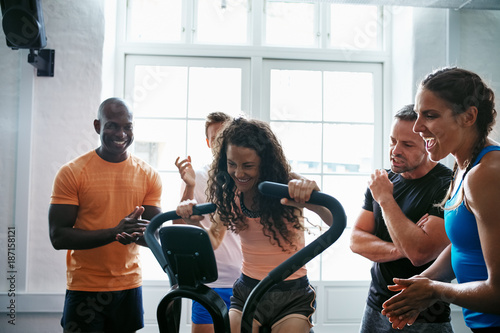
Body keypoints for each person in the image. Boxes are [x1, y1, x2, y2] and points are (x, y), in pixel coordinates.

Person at [176, 117, 333, 333]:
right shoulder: (230, 194)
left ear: (265, 162)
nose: (239, 173)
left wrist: (313, 196)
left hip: (291, 295)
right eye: (232, 164)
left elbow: (333, 219)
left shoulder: (287, 184)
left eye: (248, 166)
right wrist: (193, 223)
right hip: (247, 290)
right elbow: (213, 239)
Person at [381, 68, 500, 332]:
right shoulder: (463, 167)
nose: (417, 127)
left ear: (469, 116)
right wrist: (420, 284)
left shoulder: (487, 174)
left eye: (430, 115)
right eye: (418, 113)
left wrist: (435, 290)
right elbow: (464, 245)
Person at [49, 97, 162, 333]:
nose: (121, 133)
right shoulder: (72, 173)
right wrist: (115, 232)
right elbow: (58, 237)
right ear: (98, 126)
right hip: (85, 288)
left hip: (129, 286)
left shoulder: (149, 175)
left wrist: (134, 234)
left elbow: (154, 236)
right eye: (112, 125)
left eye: (127, 126)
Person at [350, 104, 454, 332]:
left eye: (407, 144)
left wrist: (386, 199)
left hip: (424, 316)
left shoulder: (447, 185)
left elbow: (420, 254)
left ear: (429, 144)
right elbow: (356, 240)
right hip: (376, 306)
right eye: (392, 141)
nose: (395, 150)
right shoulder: (382, 180)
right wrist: (402, 247)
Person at [174, 112, 242, 333]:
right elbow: (179, 227)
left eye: (225, 136)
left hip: (245, 279)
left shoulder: (244, 176)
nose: (220, 143)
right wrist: (190, 187)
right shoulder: (198, 176)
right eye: (215, 138)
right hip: (210, 280)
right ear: (208, 142)